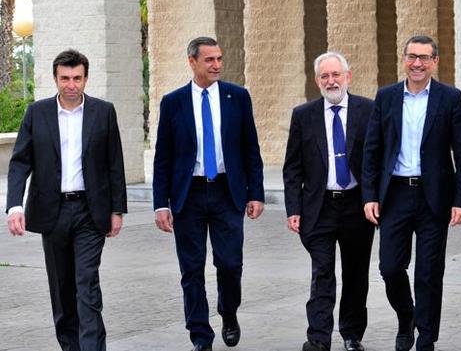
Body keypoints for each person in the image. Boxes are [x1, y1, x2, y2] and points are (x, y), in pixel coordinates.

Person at [5, 49, 127, 351]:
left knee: (87, 284)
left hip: (90, 210)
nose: (71, 85)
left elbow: (115, 163)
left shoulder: (103, 111)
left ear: (86, 78)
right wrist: (14, 205)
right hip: (52, 211)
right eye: (65, 79)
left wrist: (117, 210)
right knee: (62, 289)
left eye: (77, 78)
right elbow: (20, 161)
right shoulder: (37, 113)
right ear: (55, 78)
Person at [152, 36, 264, 351]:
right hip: (188, 195)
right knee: (191, 268)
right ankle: (201, 335)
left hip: (227, 192)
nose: (216, 65)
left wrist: (256, 193)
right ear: (192, 62)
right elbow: (163, 157)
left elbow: (250, 149)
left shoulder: (237, 97)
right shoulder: (173, 102)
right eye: (209, 60)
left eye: (219, 59)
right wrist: (161, 204)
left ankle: (229, 312)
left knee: (230, 263)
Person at [361, 35, 461, 351]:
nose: (417, 63)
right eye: (412, 56)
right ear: (404, 58)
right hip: (394, 195)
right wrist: (370, 195)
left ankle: (425, 338)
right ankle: (406, 316)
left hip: (433, 196)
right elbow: (373, 149)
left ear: (434, 61)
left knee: (428, 272)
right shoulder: (386, 97)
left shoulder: (450, 98)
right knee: (390, 267)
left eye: (424, 57)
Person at [283, 52, 375, 351]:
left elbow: (376, 160)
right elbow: (292, 167)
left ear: (348, 77)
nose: (331, 81)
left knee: (355, 273)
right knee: (322, 271)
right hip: (318, 207)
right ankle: (318, 338)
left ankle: (351, 334)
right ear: (317, 81)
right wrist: (293, 209)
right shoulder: (303, 115)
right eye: (325, 76)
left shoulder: (368, 110)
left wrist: (375, 199)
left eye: (336, 75)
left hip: (356, 206)